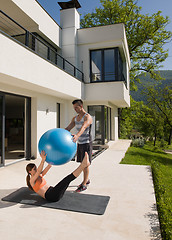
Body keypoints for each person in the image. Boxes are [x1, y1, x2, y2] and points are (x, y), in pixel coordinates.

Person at [26, 150, 90, 202]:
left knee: (67, 180)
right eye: (34, 169)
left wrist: (51, 157)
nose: (36, 169)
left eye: (36, 168)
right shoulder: (32, 181)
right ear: (30, 172)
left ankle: (83, 165)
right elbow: (39, 171)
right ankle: (83, 165)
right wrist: (42, 160)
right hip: (51, 196)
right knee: (67, 179)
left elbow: (49, 165)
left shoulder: (40, 175)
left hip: (54, 192)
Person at [65, 99, 93, 192]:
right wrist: (60, 133)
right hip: (80, 143)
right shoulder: (75, 118)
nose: (75, 109)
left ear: (81, 106)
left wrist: (77, 135)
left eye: (76, 107)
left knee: (85, 165)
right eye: (74, 108)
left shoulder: (87, 117)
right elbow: (68, 128)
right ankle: (87, 179)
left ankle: (84, 184)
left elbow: (83, 127)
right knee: (82, 163)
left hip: (87, 143)